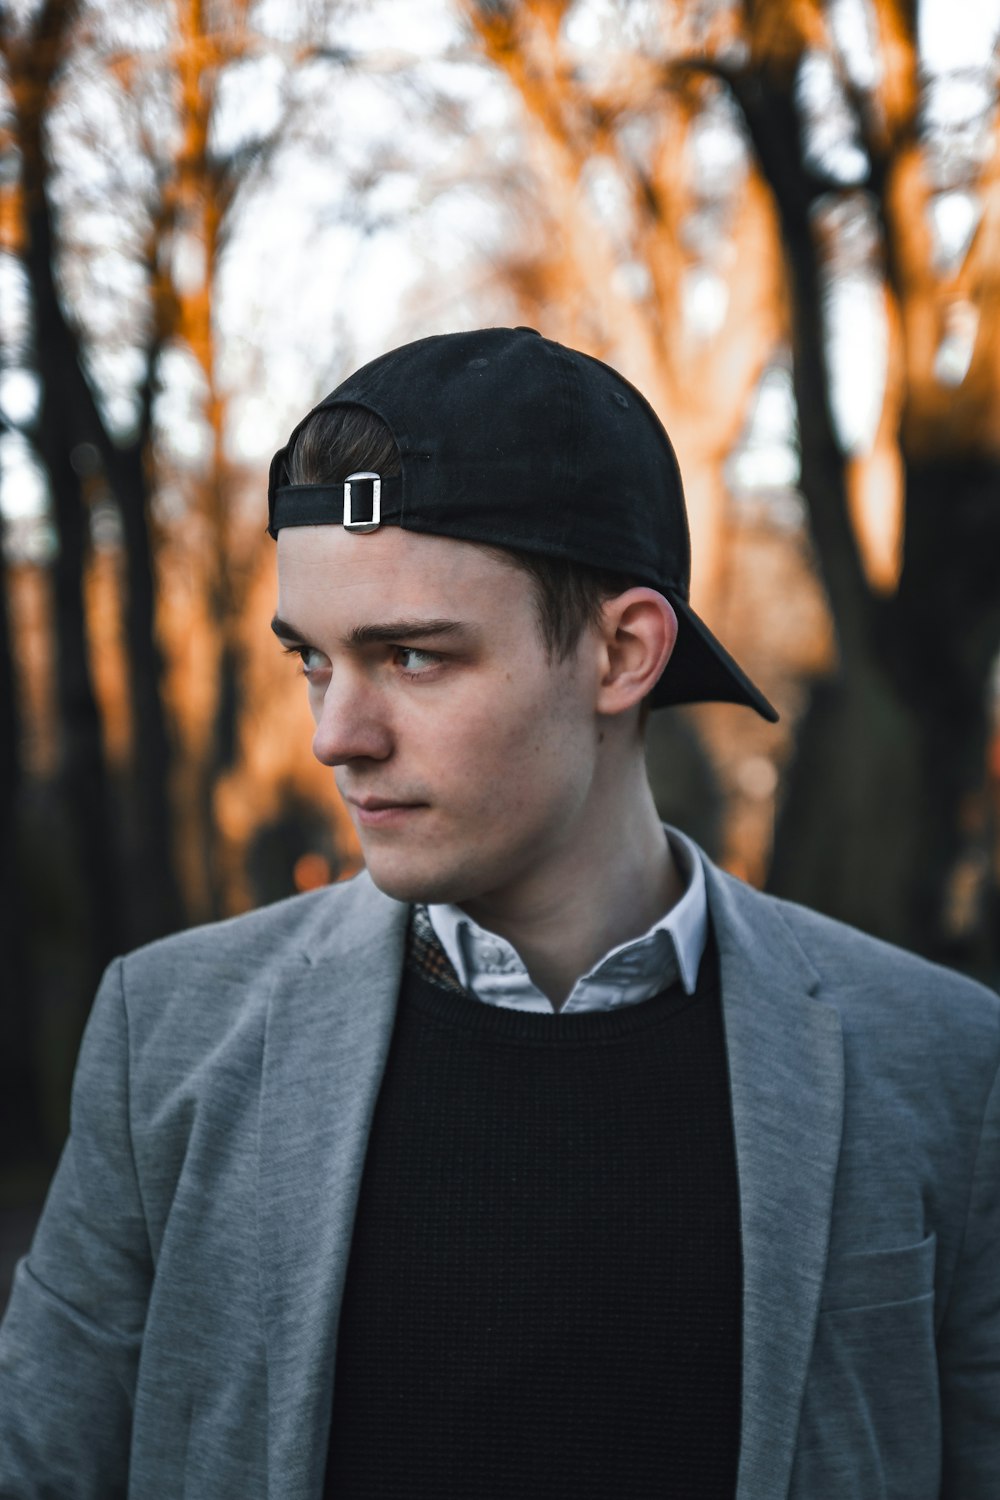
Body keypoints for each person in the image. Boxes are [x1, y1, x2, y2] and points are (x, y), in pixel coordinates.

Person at [0, 327, 997, 1500]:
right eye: (311, 662)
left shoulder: (936, 1059)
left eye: (412, 657)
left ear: (623, 653)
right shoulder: (167, 1033)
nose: (336, 737)